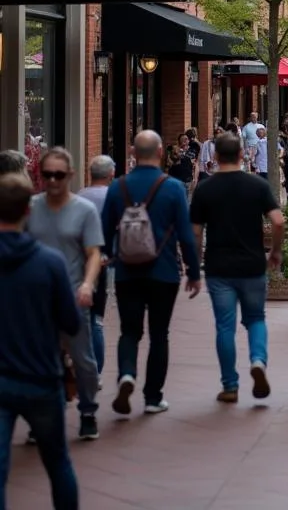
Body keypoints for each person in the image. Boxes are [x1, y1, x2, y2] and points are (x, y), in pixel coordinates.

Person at [102, 131, 201, 417]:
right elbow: (185, 234)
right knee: (160, 334)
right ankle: (153, 397)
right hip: (164, 271)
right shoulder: (172, 188)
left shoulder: (117, 187)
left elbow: (105, 230)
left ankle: (127, 375)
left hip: (126, 272)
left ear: (132, 152)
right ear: (160, 152)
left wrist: (108, 255)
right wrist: (194, 271)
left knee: (129, 331)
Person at [0, 173, 81, 509]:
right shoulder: (50, 262)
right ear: (28, 211)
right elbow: (71, 322)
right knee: (58, 462)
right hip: (41, 377)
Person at [190, 132, 284, 404]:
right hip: (253, 264)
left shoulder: (205, 189)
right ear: (242, 155)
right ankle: (257, 361)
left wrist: (195, 264)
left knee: (224, 326)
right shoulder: (256, 185)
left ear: (216, 156)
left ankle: (230, 385)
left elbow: (195, 232)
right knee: (255, 319)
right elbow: (277, 221)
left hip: (219, 267)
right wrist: (275, 251)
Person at [27, 149, 104, 442]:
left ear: (70, 176)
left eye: (59, 175)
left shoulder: (84, 210)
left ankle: (87, 411)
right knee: (40, 359)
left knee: (83, 359)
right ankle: (43, 416)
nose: (53, 181)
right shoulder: (31, 208)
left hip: (73, 297)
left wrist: (87, 284)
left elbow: (94, 252)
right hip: (38, 300)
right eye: (47, 175)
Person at [77, 156, 116, 380]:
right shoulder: (114, 197)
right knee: (97, 320)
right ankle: (97, 372)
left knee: (85, 320)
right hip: (105, 260)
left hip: (83, 261)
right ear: (110, 174)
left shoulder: (80, 197)